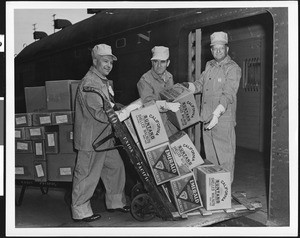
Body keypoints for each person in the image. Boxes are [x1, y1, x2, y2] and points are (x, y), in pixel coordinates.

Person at [71, 44, 130, 222]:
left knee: (116, 167)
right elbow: (98, 112)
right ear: (95, 61)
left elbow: (107, 104)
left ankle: (116, 202)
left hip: (104, 138)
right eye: (105, 61)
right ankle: (80, 211)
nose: (108, 65)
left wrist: (119, 107)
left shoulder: (101, 81)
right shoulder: (90, 83)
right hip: (91, 140)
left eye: (110, 62)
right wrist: (121, 114)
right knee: (87, 175)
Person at [182, 32, 241, 183]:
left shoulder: (233, 68)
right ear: (211, 50)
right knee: (211, 160)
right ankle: (214, 195)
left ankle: (224, 194)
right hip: (207, 119)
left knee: (225, 160)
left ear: (227, 49)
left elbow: (228, 94)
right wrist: (187, 87)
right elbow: (200, 84)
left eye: (221, 48)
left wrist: (216, 115)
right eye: (215, 48)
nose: (218, 51)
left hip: (222, 120)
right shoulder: (209, 65)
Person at [137, 46, 180, 137]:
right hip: (156, 127)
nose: (159, 65)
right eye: (155, 61)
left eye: (162, 62)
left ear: (168, 63)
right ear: (152, 62)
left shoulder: (169, 77)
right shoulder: (145, 80)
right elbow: (149, 105)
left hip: (172, 125)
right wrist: (166, 105)